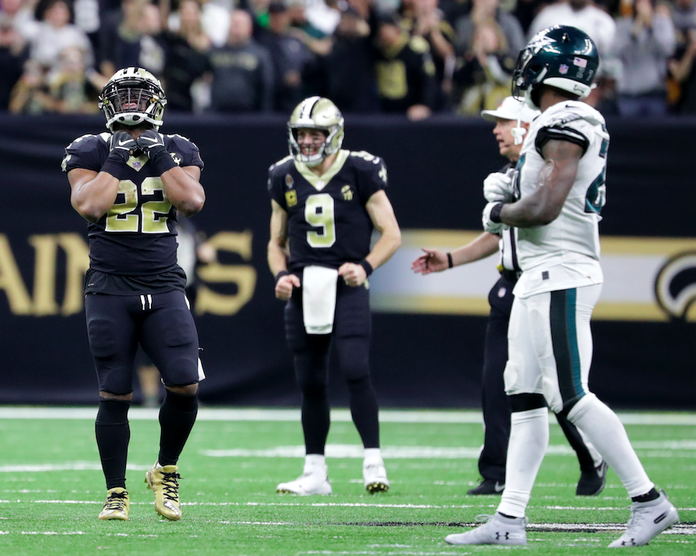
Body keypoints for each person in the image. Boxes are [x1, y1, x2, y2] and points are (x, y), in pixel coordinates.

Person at [444, 25, 680, 547]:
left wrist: (497, 210)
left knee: (571, 396)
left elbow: (545, 207)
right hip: (540, 272)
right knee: (525, 398)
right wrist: (514, 189)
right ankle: (509, 519)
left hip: (562, 272)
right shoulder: (556, 121)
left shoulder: (567, 118)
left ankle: (650, 501)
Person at [412, 95, 607, 497]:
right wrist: (451, 259)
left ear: (528, 125)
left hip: (549, 280)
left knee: (558, 389)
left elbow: (522, 217)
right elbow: (499, 234)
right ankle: (497, 472)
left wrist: (499, 209)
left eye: (505, 122)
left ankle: (594, 456)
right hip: (511, 287)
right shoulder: (514, 173)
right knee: (502, 382)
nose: (497, 130)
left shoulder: (549, 172)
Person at [62, 67, 206, 521]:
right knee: (115, 393)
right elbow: (90, 204)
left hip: (163, 283)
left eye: (137, 97)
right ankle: (116, 491)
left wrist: (158, 155)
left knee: (184, 381)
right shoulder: (91, 148)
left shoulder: (180, 148)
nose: (130, 105)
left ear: (156, 103)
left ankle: (166, 470)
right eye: (122, 97)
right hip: (109, 286)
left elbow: (192, 200)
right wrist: (120, 157)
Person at [267, 96, 401, 495]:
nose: (307, 141)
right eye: (301, 134)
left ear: (333, 134)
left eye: (315, 134)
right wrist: (280, 274)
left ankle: (373, 461)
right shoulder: (283, 175)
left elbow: (391, 234)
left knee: (356, 370)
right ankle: (315, 472)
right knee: (310, 381)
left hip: (347, 286)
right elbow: (275, 242)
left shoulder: (360, 169)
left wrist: (366, 266)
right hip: (305, 287)